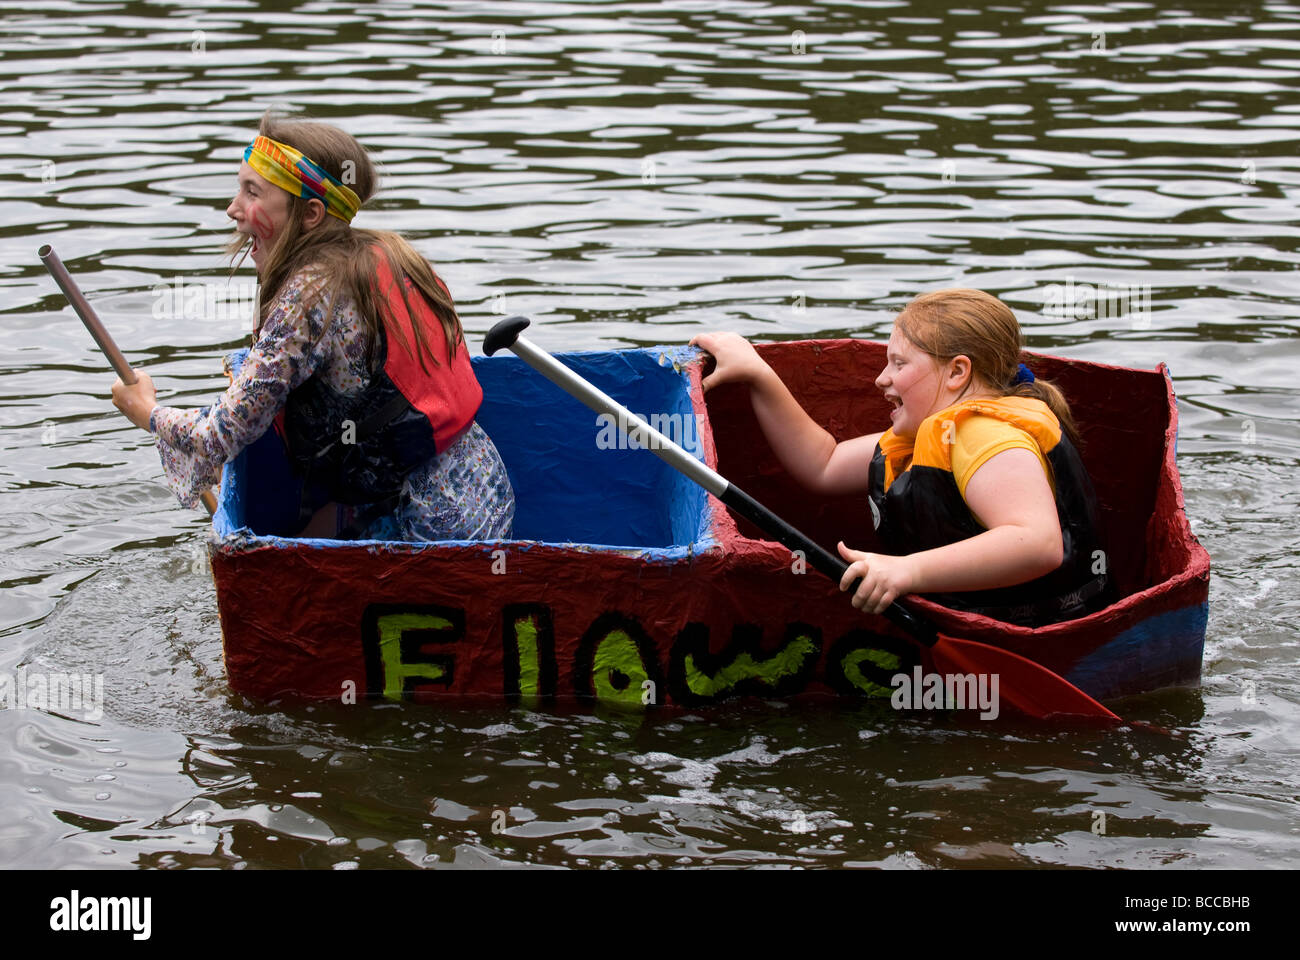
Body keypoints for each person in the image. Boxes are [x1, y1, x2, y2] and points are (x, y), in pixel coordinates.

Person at [111, 112, 515, 542]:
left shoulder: (308, 296)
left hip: (433, 529)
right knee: (310, 526)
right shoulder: (387, 252)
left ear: (311, 214)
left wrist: (148, 412)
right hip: (483, 492)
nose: (232, 209)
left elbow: (219, 436)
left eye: (252, 192)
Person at [690, 288, 1111, 626]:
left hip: (1036, 634)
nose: (881, 379)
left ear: (958, 373)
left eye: (898, 364)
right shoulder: (934, 433)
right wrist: (758, 373)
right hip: (970, 622)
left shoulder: (983, 434)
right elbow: (824, 465)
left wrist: (907, 571)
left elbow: (1039, 544)